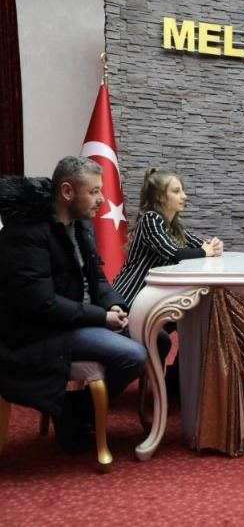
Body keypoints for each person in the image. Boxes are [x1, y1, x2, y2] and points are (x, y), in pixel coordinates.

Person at [0, 157, 148, 453]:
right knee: (133, 355)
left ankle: (72, 411)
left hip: (82, 317)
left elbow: (99, 278)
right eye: (94, 191)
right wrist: (101, 317)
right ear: (67, 191)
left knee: (159, 340)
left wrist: (114, 305)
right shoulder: (27, 233)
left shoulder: (81, 224)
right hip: (44, 330)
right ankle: (74, 412)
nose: (102, 199)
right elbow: (42, 304)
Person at [113, 168, 223, 394]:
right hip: (130, 303)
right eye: (177, 191)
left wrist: (213, 246)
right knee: (190, 320)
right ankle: (168, 387)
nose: (184, 196)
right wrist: (206, 251)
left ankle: (174, 383)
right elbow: (176, 254)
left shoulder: (173, 225)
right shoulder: (151, 219)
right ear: (160, 196)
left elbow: (200, 246)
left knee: (196, 320)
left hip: (155, 303)